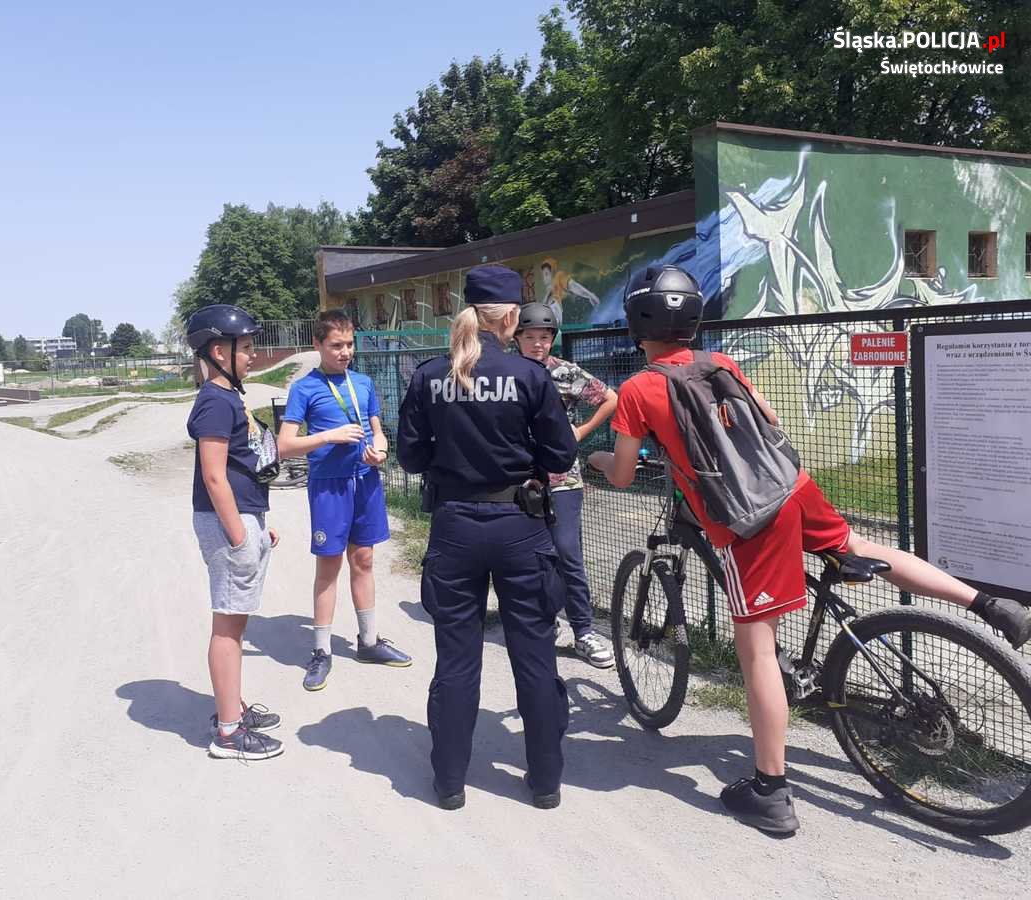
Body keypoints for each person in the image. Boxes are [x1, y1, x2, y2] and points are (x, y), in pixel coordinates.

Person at [588, 265, 1031, 834]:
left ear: (637, 321)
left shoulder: (639, 388)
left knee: (757, 651)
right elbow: (768, 421)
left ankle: (770, 790)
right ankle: (989, 605)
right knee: (856, 542)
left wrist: (602, 461)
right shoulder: (722, 363)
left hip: (744, 520)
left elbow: (623, 475)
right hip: (791, 488)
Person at [397, 264, 579, 811]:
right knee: (534, 657)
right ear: (510, 317)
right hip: (521, 527)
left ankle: (450, 782)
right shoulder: (529, 376)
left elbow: (410, 455)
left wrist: (451, 464)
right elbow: (562, 455)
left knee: (456, 659)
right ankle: (544, 783)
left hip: (454, 524)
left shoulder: (430, 375)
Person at [278, 309, 412, 692]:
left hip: (365, 481)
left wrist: (380, 453)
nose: (345, 352)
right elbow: (286, 446)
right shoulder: (305, 388)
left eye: (349, 344)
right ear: (317, 345)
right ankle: (321, 651)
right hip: (330, 485)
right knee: (329, 566)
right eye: (336, 345)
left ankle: (368, 642)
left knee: (365, 559)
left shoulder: (364, 383)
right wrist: (328, 437)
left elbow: (378, 433)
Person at [185, 304, 284, 760]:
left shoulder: (228, 397)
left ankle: (232, 706)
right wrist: (240, 535)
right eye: (245, 348)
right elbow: (213, 475)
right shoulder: (214, 400)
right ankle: (228, 732)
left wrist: (258, 525)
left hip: (243, 518)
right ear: (217, 350)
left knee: (236, 620)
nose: (252, 355)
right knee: (227, 625)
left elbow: (242, 467)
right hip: (228, 526)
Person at [514, 302, 617, 669]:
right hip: (520, 478)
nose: (537, 344)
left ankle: (584, 630)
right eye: (530, 337)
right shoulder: (509, 374)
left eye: (544, 337)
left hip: (563, 478)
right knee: (530, 556)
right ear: (518, 339)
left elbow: (610, 398)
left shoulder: (566, 373)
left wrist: (580, 433)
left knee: (567, 552)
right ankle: (545, 621)